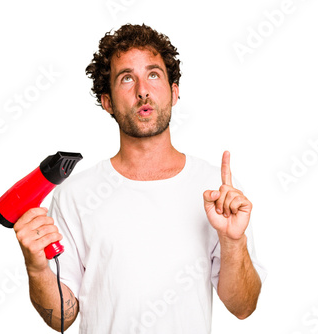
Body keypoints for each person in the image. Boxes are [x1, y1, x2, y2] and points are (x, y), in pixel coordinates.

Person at [13, 23, 267, 333]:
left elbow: (243, 307)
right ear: (107, 101)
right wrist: (37, 269)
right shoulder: (75, 195)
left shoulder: (218, 191)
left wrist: (232, 240)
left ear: (174, 92)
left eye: (153, 75)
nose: (142, 90)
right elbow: (62, 318)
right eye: (127, 78)